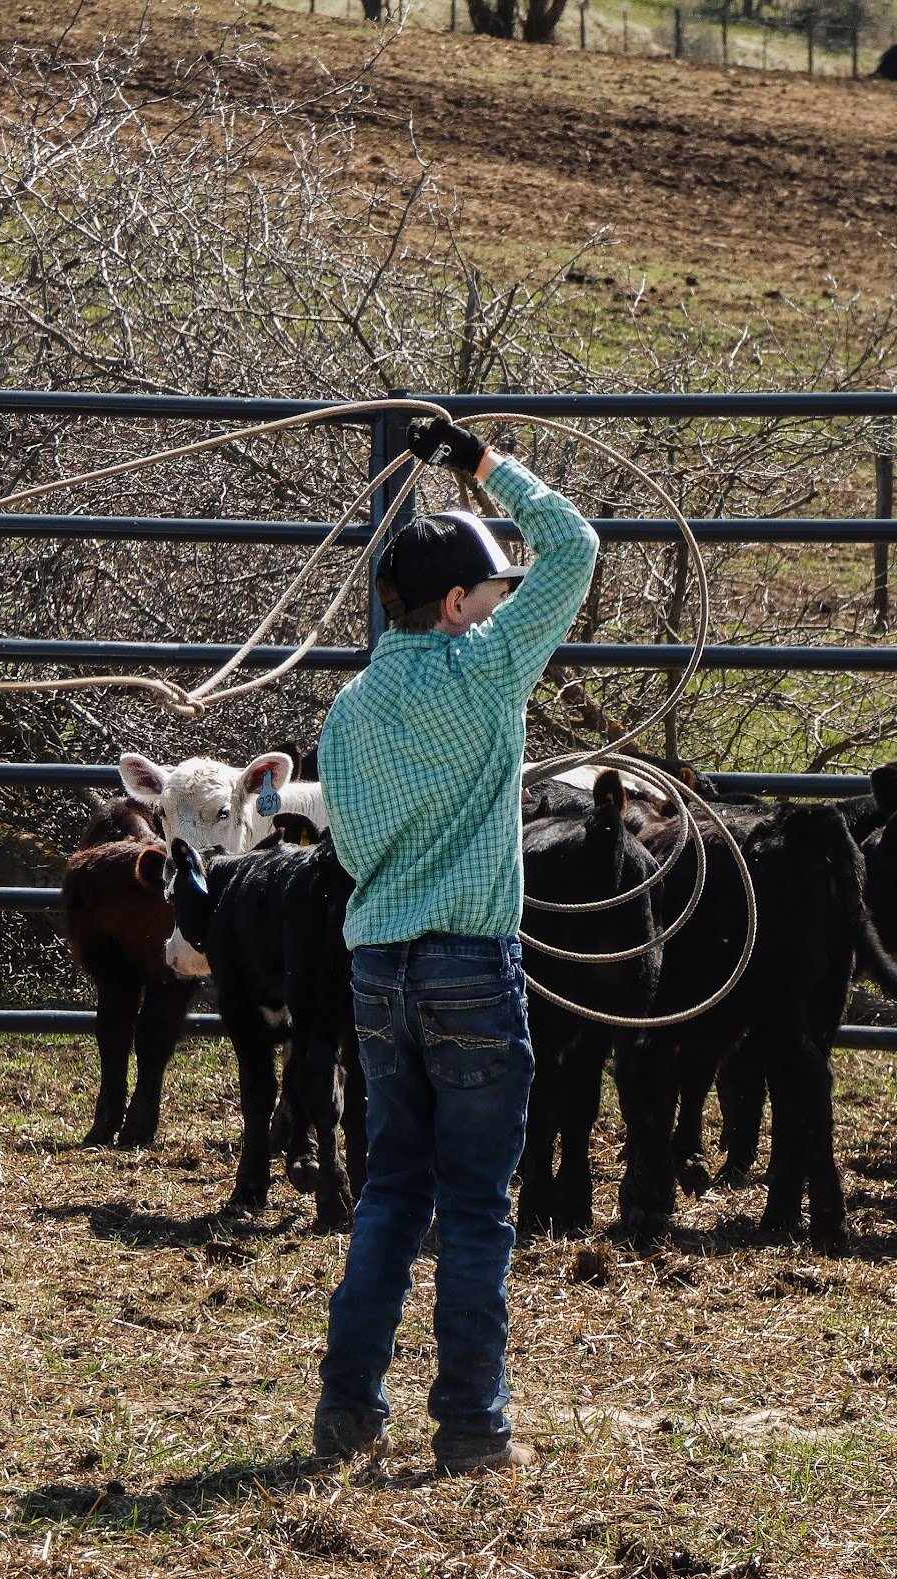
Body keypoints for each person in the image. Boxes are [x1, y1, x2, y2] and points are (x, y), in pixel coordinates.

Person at [312, 417, 599, 1475]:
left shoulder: (347, 708)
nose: (502, 605)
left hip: (378, 965)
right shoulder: (485, 670)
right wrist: (481, 462)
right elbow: (573, 545)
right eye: (490, 592)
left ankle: (348, 1410)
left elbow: (348, 845)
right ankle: (472, 1427)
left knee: (393, 1186)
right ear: (452, 605)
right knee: (476, 1203)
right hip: (472, 961)